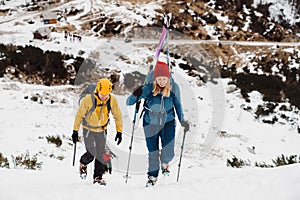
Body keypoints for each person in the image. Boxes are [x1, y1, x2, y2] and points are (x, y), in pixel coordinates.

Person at [126, 61, 189, 187]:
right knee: (153, 152)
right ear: (155, 79)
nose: (162, 82)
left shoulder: (174, 87)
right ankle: (152, 176)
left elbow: (178, 104)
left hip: (168, 122)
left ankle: (165, 162)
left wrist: (182, 120)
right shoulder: (148, 87)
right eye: (159, 79)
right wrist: (136, 94)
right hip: (150, 123)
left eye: (164, 79)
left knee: (168, 151)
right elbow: (129, 102)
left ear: (168, 78)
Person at [72, 78, 123, 185]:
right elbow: (79, 116)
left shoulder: (111, 100)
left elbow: (117, 116)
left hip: (102, 130)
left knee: (100, 153)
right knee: (91, 153)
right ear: (97, 91)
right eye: (102, 94)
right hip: (88, 130)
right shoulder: (88, 99)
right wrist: (75, 131)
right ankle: (83, 163)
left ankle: (98, 177)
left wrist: (119, 132)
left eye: (106, 94)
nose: (104, 97)